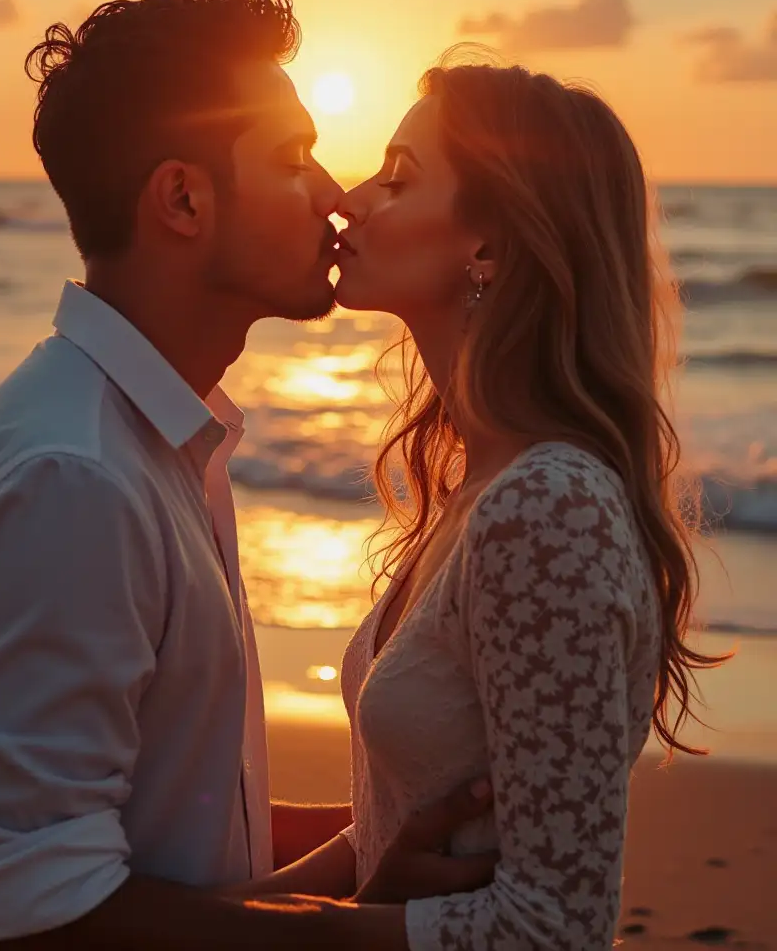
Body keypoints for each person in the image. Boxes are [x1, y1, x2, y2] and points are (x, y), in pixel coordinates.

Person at [0, 0, 493, 951]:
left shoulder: (155, 441)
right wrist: (391, 935)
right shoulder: (71, 480)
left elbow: (182, 828)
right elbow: (39, 919)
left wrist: (360, 855)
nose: (335, 195)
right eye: (294, 159)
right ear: (182, 198)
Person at [304, 53, 723, 949]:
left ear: (486, 247)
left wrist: (282, 935)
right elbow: (406, 819)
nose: (350, 197)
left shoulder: (549, 509)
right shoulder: (482, 492)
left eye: (398, 176)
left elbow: (554, 927)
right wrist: (225, 913)